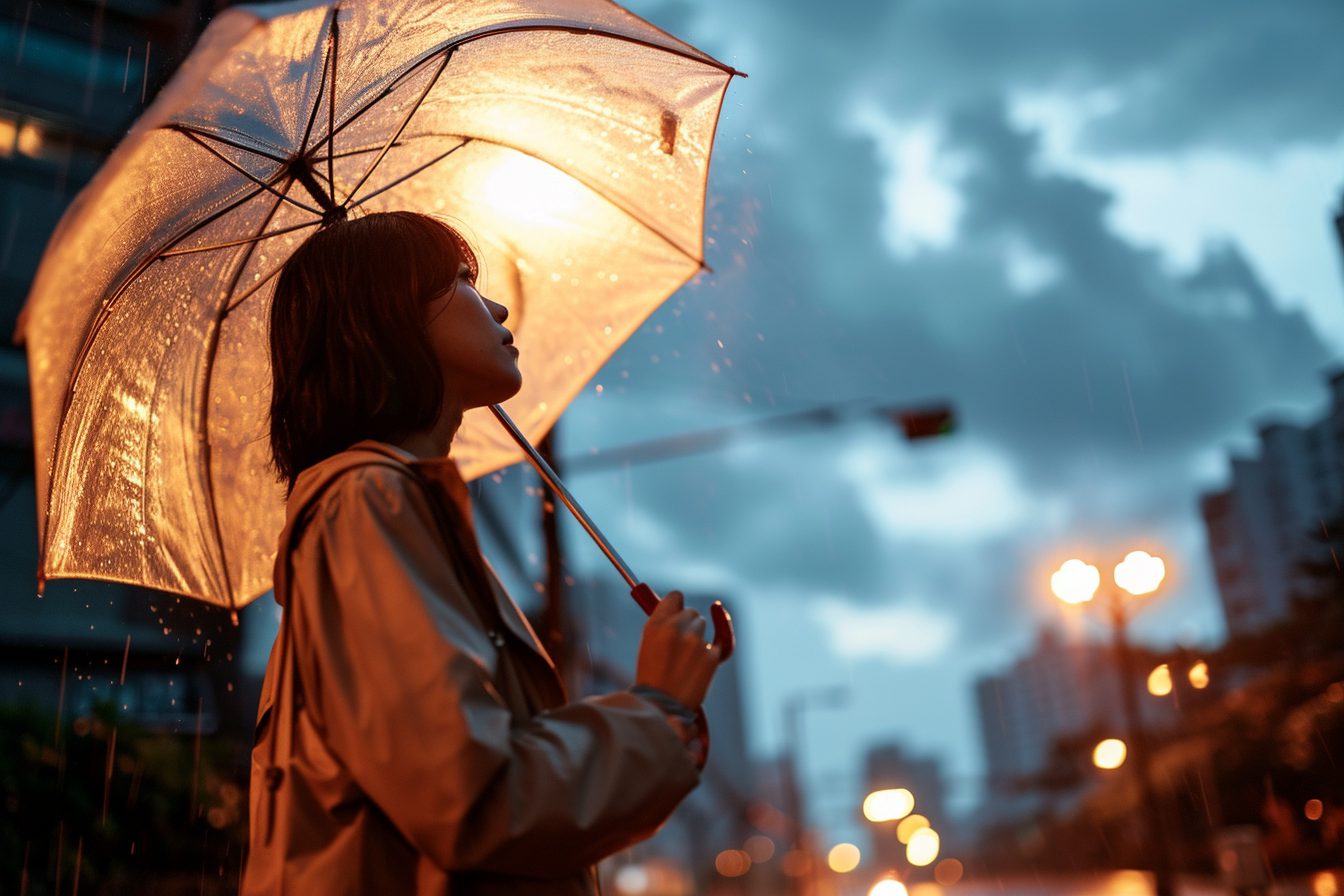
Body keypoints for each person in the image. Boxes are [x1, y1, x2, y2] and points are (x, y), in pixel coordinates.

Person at [241, 211, 723, 895]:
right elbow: (472, 799)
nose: (495, 307)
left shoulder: (393, 507)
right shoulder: (370, 502)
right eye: (462, 281)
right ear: (390, 316)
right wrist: (657, 709)